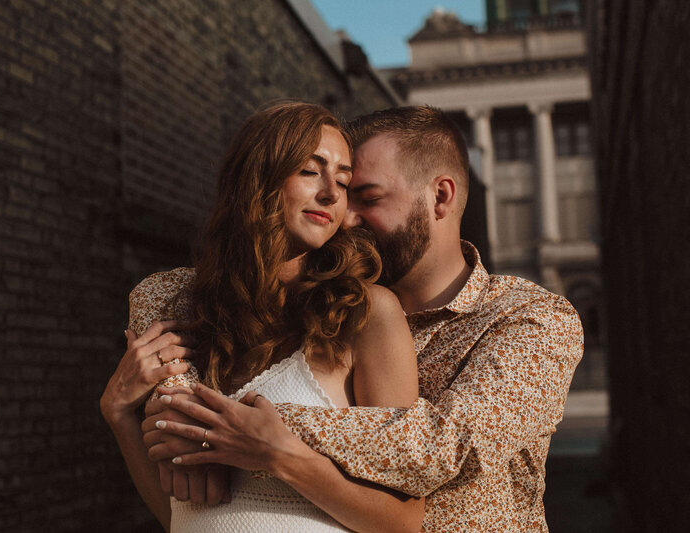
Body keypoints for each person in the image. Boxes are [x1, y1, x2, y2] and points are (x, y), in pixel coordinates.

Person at [145, 105, 584, 532]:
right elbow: (163, 297)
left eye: (367, 197)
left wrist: (245, 426)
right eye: (338, 188)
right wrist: (153, 400)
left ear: (440, 196)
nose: (345, 216)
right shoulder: (323, 309)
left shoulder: (530, 319)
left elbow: (447, 446)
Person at [101, 101, 427, 532]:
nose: (331, 193)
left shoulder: (363, 312)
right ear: (257, 178)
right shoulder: (189, 314)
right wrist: (119, 414)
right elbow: (180, 514)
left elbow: (404, 522)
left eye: (343, 180)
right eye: (309, 171)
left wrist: (279, 456)